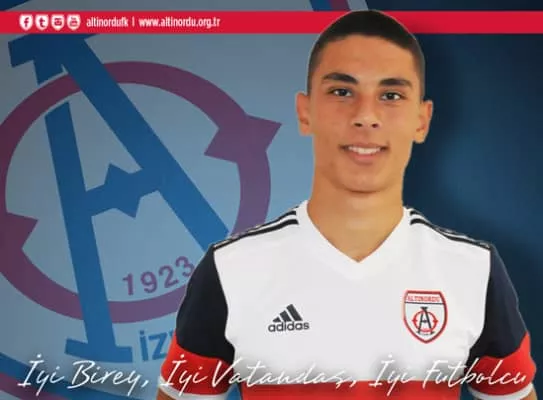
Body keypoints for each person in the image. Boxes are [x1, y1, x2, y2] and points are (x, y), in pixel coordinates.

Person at [156, 9, 537, 400]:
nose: (366, 116)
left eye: (391, 95)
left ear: (422, 120)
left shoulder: (473, 270)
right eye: (342, 91)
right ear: (305, 111)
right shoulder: (231, 269)